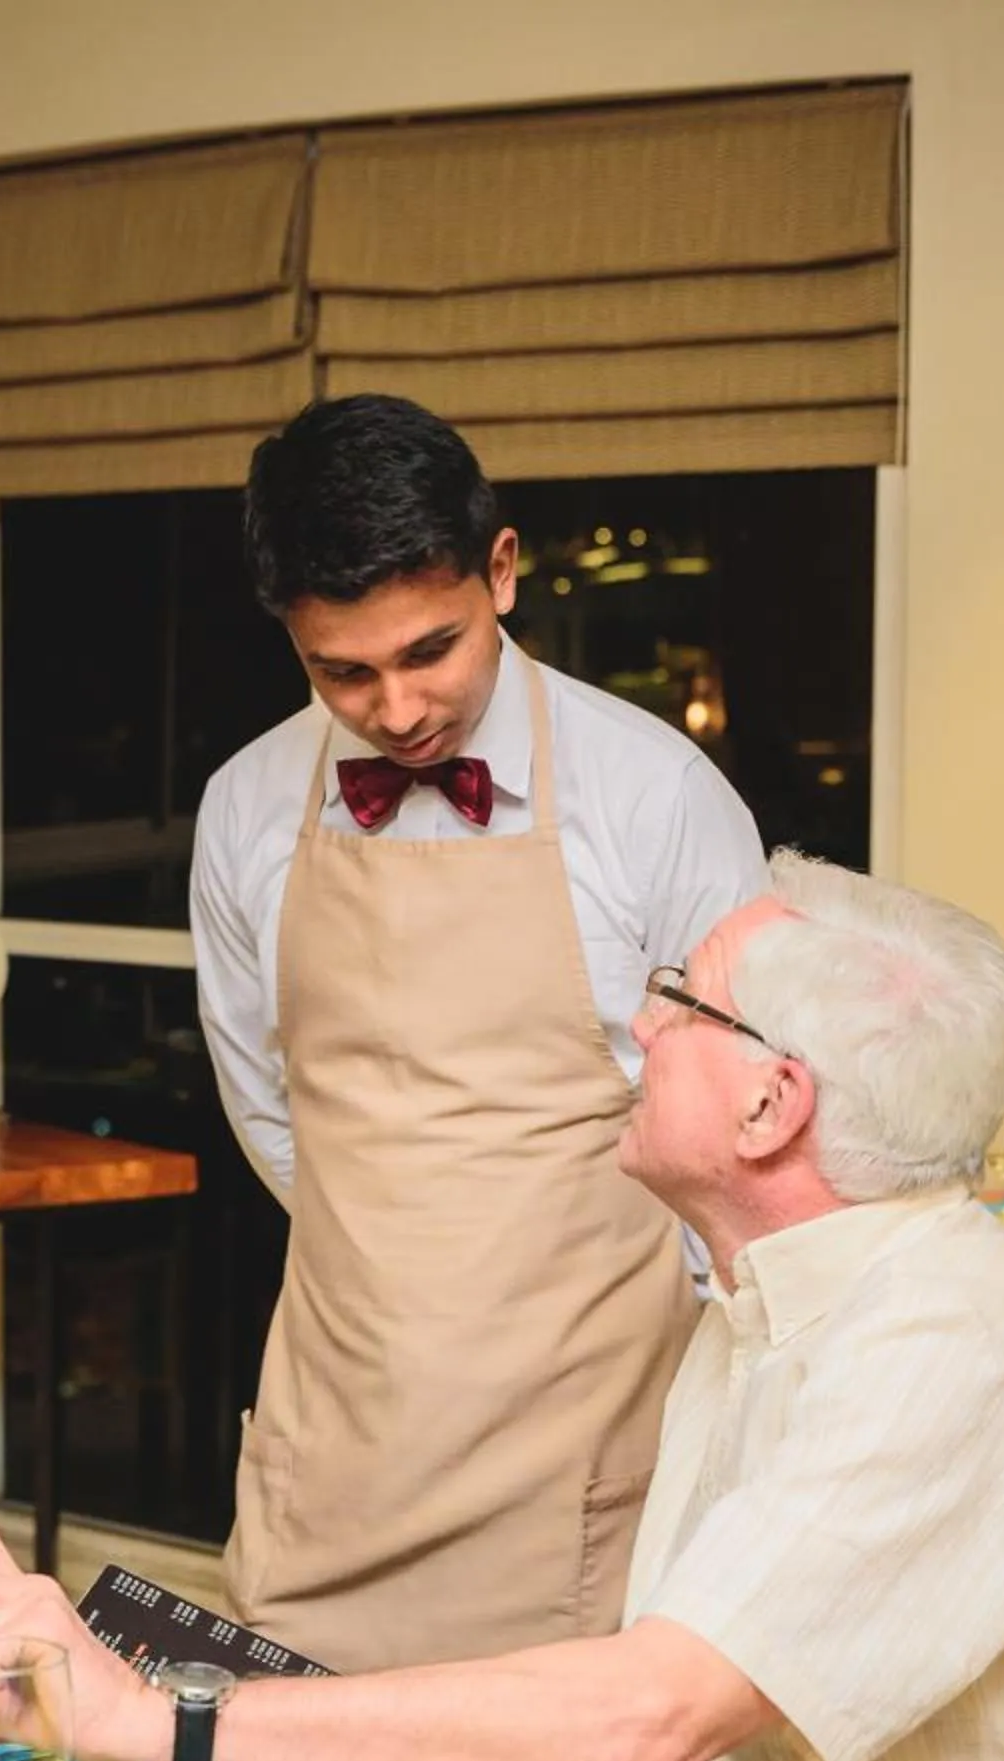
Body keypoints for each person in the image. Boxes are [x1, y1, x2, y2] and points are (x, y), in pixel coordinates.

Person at [0, 856, 1004, 1761]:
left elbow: (642, 1727)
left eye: (683, 999)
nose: (642, 1020)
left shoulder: (955, 1346)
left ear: (769, 1106)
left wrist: (152, 1718)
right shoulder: (761, 1307)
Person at [191, 394, 766, 1675]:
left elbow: (734, 1133)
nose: (397, 710)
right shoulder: (241, 810)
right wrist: (405, 1255)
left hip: (581, 1454)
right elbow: (267, 1105)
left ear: (501, 571)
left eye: (430, 651)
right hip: (336, 1443)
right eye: (344, 670)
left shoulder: (656, 793)